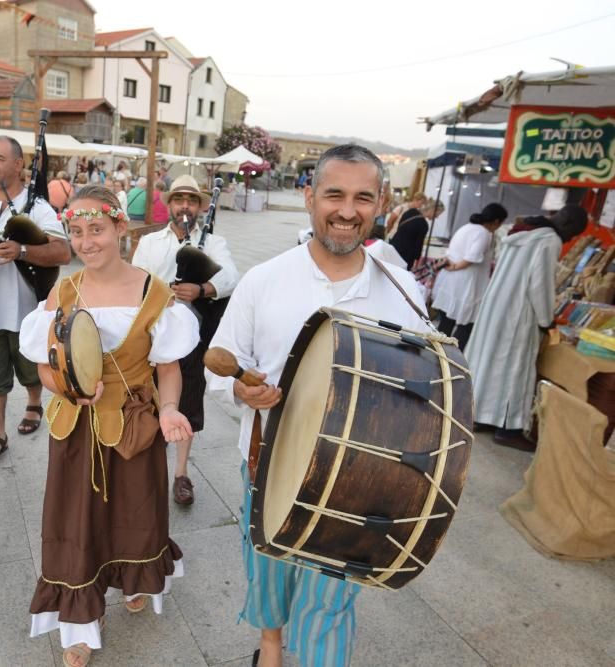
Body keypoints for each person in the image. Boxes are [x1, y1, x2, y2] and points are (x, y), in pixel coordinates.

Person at [207, 144, 427, 667]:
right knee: (266, 568)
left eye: (363, 198)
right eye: (334, 194)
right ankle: (270, 648)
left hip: (360, 478)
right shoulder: (265, 280)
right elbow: (224, 365)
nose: (347, 211)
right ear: (309, 198)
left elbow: (429, 390)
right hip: (271, 462)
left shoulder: (404, 293)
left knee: (330, 597)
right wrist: (242, 389)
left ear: (383, 203)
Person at [18, 185, 197, 667]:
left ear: (121, 228)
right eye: (75, 232)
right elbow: (43, 363)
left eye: (96, 229)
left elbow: (168, 367)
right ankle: (81, 623)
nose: (86, 242)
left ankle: (132, 578)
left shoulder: (153, 292)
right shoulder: (65, 291)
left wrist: (169, 410)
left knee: (133, 513)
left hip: (134, 424)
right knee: (76, 522)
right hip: (76, 428)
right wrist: (65, 388)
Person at [0, 136, 71, 466]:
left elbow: (62, 252)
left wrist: (23, 251)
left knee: (32, 371)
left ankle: (34, 403)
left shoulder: (39, 208)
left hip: (27, 311)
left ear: (19, 165)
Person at [131, 174, 239, 505]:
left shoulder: (214, 243)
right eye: (179, 200)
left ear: (199, 208)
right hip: (153, 334)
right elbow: (135, 280)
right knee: (148, 400)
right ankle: (145, 466)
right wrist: (161, 295)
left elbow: (232, 278)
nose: (185, 206)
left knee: (188, 400)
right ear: (171, 205)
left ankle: (181, 474)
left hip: (192, 337)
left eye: (191, 201)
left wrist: (202, 289)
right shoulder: (151, 243)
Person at [466, 205, 588, 450]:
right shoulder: (548, 240)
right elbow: (539, 285)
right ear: (567, 224)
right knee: (514, 369)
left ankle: (482, 415)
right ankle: (509, 428)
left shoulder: (519, 231)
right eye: (573, 234)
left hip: (497, 304)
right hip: (519, 312)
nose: (570, 240)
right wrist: (546, 320)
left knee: (488, 362)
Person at [432, 203, 508, 350]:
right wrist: (455, 267)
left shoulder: (466, 227)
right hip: (466, 284)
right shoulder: (484, 233)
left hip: (453, 282)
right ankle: (454, 359)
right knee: (466, 325)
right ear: (497, 221)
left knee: (446, 323)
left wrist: (452, 267)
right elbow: (471, 257)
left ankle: (437, 354)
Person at [389, 198, 442, 270]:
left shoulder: (410, 211)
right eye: (437, 214)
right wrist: (416, 263)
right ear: (433, 210)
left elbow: (400, 229)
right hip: (405, 257)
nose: (437, 217)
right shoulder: (423, 225)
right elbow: (418, 247)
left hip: (393, 248)